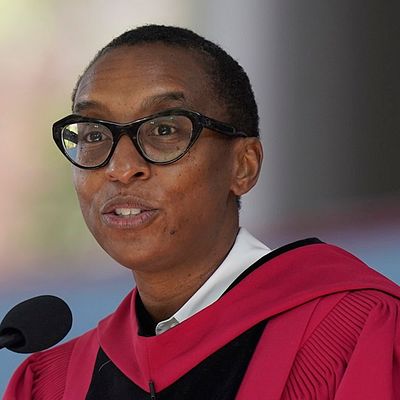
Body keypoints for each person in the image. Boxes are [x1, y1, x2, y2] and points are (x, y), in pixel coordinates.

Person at [4, 25, 400, 400]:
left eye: (164, 130)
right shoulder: (52, 385)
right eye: (94, 134)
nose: (121, 167)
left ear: (243, 166)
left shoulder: (357, 332)